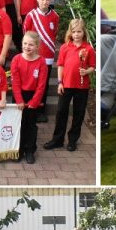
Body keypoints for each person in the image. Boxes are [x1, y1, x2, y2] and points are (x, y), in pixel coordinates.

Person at [43, 19, 93, 152]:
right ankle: (57, 139)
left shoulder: (88, 48)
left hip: (82, 87)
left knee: (79, 113)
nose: (76, 34)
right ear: (70, 33)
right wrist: (60, 82)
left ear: (84, 32)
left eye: (79, 32)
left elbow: (93, 67)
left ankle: (72, 140)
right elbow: (60, 66)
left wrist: (86, 71)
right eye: (74, 32)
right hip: (66, 85)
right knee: (61, 112)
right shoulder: (65, 47)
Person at [11, 31, 49, 164]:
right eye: (25, 44)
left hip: (34, 97)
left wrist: (35, 101)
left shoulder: (42, 62)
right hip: (19, 95)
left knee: (31, 125)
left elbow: (42, 85)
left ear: (37, 46)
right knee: (19, 124)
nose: (27, 47)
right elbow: (15, 82)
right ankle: (18, 149)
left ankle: (29, 150)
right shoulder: (16, 59)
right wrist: (19, 100)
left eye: (31, 45)